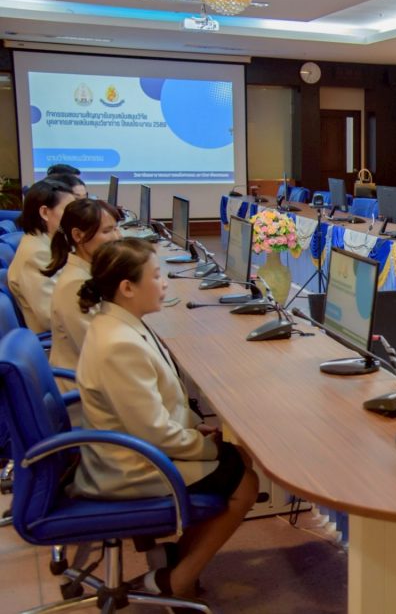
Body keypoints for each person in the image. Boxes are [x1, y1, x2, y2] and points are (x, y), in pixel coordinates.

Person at [72, 238, 258, 600]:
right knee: (244, 482)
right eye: (156, 276)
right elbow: (154, 432)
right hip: (131, 464)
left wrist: (194, 428)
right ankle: (178, 579)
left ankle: (179, 558)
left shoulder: (119, 323)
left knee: (237, 460)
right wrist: (204, 445)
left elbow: (157, 403)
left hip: (134, 447)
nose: (165, 283)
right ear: (127, 288)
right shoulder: (119, 343)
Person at [43, 198, 122, 394]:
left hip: (98, 380)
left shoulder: (89, 271)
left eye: (116, 228)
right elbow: (100, 353)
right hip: (86, 391)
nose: (117, 237)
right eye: (107, 231)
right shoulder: (75, 286)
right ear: (78, 235)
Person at [8, 179, 76, 332]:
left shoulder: (46, 242)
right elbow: (50, 317)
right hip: (57, 339)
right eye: (68, 211)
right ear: (45, 212)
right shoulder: (37, 254)